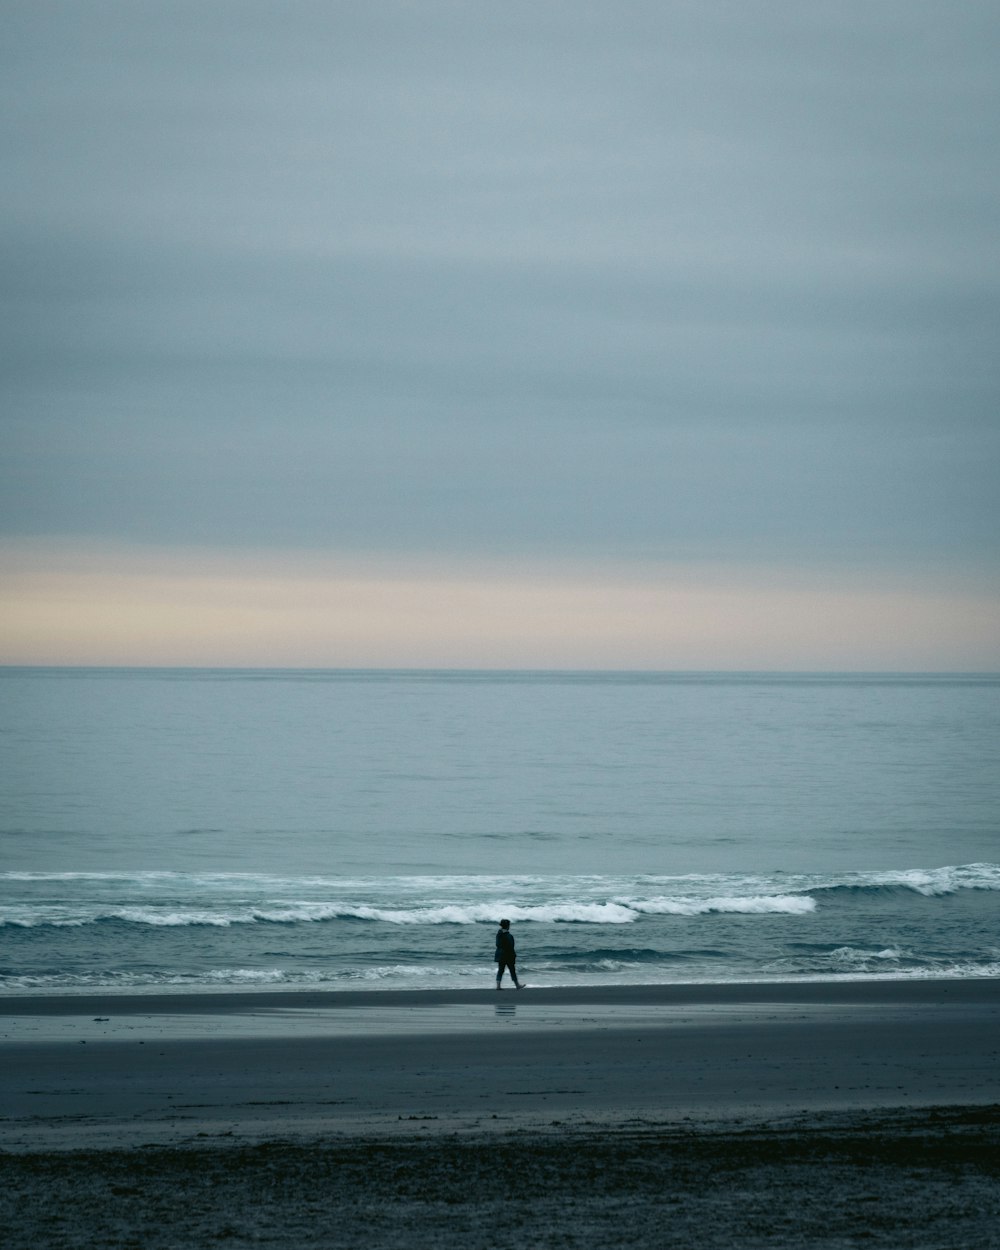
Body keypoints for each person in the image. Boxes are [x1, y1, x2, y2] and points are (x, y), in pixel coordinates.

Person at [494, 918, 524, 989]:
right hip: (508, 955)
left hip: (500, 955)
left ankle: (498, 985)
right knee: (512, 970)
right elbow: (511, 946)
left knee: (501, 970)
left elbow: (497, 944)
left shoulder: (499, 934)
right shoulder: (508, 935)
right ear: (507, 926)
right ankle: (517, 985)